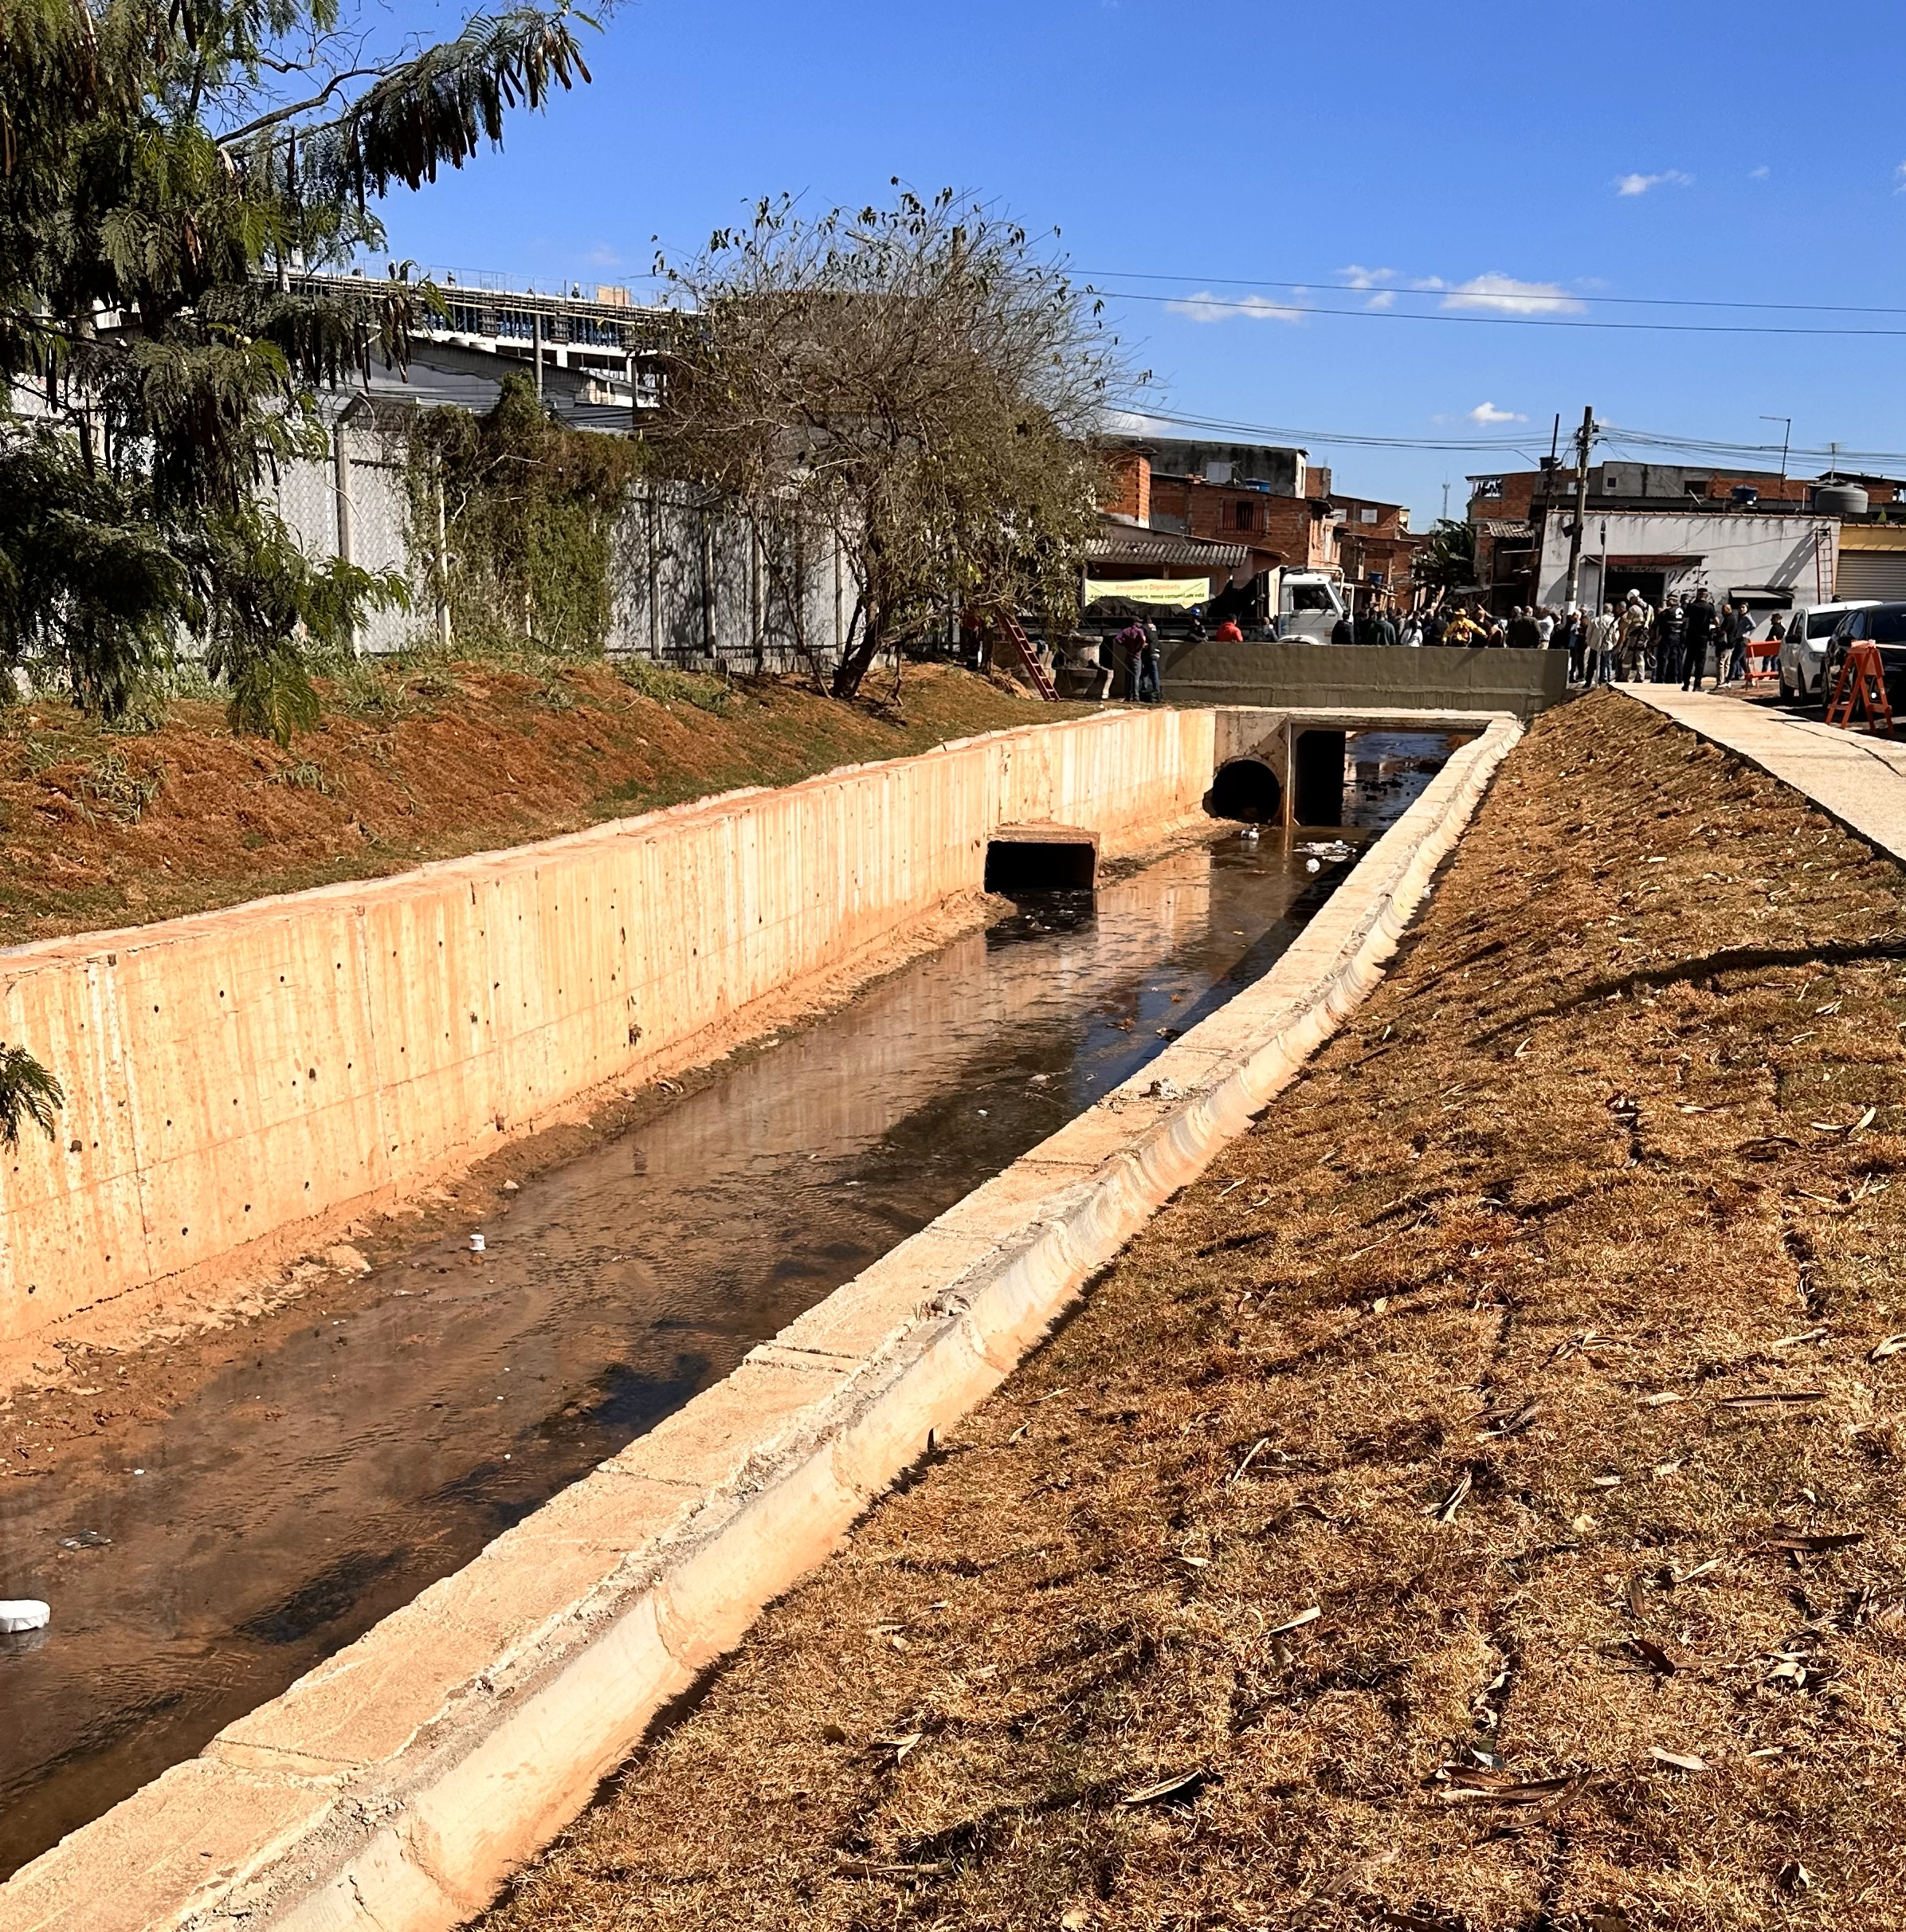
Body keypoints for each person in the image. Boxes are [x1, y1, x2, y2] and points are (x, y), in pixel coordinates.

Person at [1680, 587, 1716, 690]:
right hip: (1703, 637)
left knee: (1689, 660)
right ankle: (1697, 685)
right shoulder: (1709, 607)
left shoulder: (1691, 606)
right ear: (1706, 595)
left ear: (1697, 595)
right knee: (1700, 662)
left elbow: (1684, 619)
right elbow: (1716, 620)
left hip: (1691, 636)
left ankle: (1686, 684)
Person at [1655, 594, 1687, 686]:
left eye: (1668, 600)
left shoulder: (1668, 611)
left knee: (1663, 658)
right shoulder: (1682, 611)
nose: (1667, 602)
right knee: (1673, 658)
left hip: (1668, 636)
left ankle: (1660, 679)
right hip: (1677, 636)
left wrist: (1661, 612)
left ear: (1673, 601)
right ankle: (1672, 678)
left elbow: (1661, 621)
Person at [1115, 617, 1147, 701]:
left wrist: (1124, 644)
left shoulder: (1126, 631)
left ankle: (1128, 696)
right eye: (1138, 622)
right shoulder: (1139, 631)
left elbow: (1117, 639)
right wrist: (1140, 647)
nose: (1140, 624)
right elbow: (1143, 639)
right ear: (1134, 623)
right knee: (1136, 677)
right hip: (1136, 656)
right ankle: (1136, 696)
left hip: (1128, 655)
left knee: (1128, 677)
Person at [1588, 603, 1621, 686]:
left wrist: (1589, 643)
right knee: (1605, 663)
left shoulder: (1595, 620)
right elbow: (1615, 635)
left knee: (1591, 664)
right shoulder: (1613, 621)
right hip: (1607, 645)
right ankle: (1602, 681)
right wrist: (1615, 644)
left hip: (1595, 645)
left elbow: (1588, 634)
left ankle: (1588, 681)